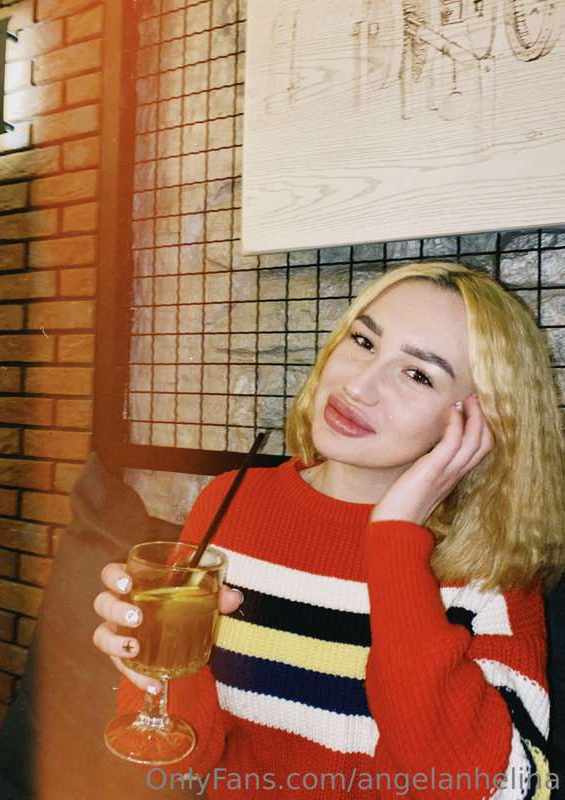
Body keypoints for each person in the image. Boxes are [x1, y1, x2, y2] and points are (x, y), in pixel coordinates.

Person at [93, 260, 565, 799]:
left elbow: (503, 789)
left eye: (417, 374)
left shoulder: (491, 566)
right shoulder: (231, 501)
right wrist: (153, 662)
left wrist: (395, 542)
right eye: (363, 341)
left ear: (478, 422)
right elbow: (187, 759)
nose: (358, 386)